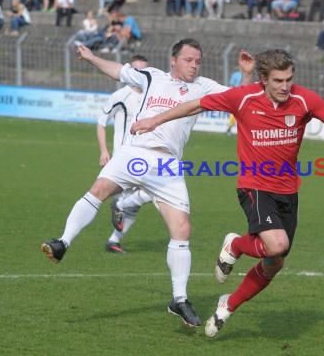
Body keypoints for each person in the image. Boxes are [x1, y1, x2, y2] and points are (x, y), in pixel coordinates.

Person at [129, 49, 324, 337]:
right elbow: (195, 105)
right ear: (263, 79)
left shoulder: (305, 100)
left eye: (289, 79)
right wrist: (156, 120)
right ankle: (237, 245)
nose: (285, 86)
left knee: (275, 261)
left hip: (288, 191)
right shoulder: (243, 98)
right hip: (254, 185)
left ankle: (228, 305)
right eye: (278, 80)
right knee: (276, 245)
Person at [40, 39, 253, 327]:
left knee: (182, 228)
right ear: (174, 59)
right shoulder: (152, 76)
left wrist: (247, 73)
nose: (194, 65)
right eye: (188, 59)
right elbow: (118, 71)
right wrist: (91, 57)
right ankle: (63, 242)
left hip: (168, 165)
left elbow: (240, 98)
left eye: (198, 60)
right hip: (135, 151)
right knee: (99, 189)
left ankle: (179, 300)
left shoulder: (204, 86)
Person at [96, 55, 151, 254]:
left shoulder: (150, 96)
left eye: (143, 70)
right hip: (125, 156)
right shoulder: (120, 96)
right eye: (136, 70)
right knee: (157, 188)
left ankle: (114, 241)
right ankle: (120, 204)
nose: (139, 75)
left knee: (138, 202)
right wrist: (104, 151)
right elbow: (101, 122)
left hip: (144, 154)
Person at [225, 69, 242, 136]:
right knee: (235, 113)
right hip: (237, 96)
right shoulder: (235, 74)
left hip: (245, 96)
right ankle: (229, 127)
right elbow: (231, 85)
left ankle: (230, 127)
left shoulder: (249, 75)